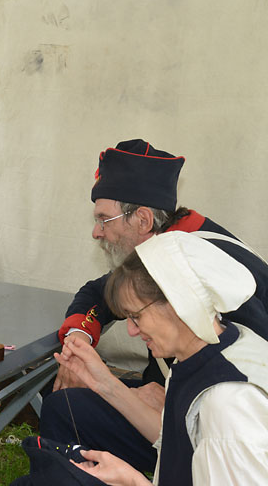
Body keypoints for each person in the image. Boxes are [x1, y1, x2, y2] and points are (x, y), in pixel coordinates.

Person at [41, 139, 268, 472]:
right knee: (66, 396)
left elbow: (246, 374)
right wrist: (80, 336)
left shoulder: (207, 269)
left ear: (143, 220)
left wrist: (174, 399)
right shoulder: (163, 252)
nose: (96, 232)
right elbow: (98, 293)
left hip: (213, 419)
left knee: (64, 409)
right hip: (175, 395)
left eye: (104, 219)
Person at [57, 232, 268, 485]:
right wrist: (104, 383)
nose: (131, 330)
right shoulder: (205, 352)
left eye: (136, 316)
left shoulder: (227, 402)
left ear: (179, 302)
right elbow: (174, 440)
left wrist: (134, 481)